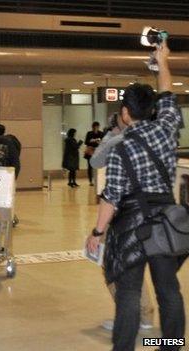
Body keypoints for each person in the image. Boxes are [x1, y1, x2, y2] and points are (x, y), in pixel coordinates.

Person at [86, 41, 186, 351]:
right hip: (164, 224)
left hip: (130, 226)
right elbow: (168, 93)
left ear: (126, 113)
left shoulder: (120, 148)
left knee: (128, 294)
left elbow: (111, 197)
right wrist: (163, 60)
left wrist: (97, 232)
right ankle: (168, 344)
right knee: (168, 290)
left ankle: (124, 348)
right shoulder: (167, 129)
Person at [90, 113, 155, 331]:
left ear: (125, 116)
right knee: (135, 264)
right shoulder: (156, 135)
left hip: (123, 214)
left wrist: (97, 231)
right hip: (150, 210)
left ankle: (128, 317)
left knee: (111, 264)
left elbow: (95, 161)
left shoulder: (119, 141)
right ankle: (146, 316)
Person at [85, 121, 104, 186]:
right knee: (90, 166)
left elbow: (103, 142)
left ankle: (97, 180)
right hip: (90, 150)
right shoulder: (89, 133)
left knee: (98, 166)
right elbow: (86, 142)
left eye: (97, 126)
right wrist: (91, 140)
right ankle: (90, 181)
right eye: (95, 126)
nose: (96, 128)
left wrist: (99, 142)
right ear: (93, 127)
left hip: (98, 151)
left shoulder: (101, 133)